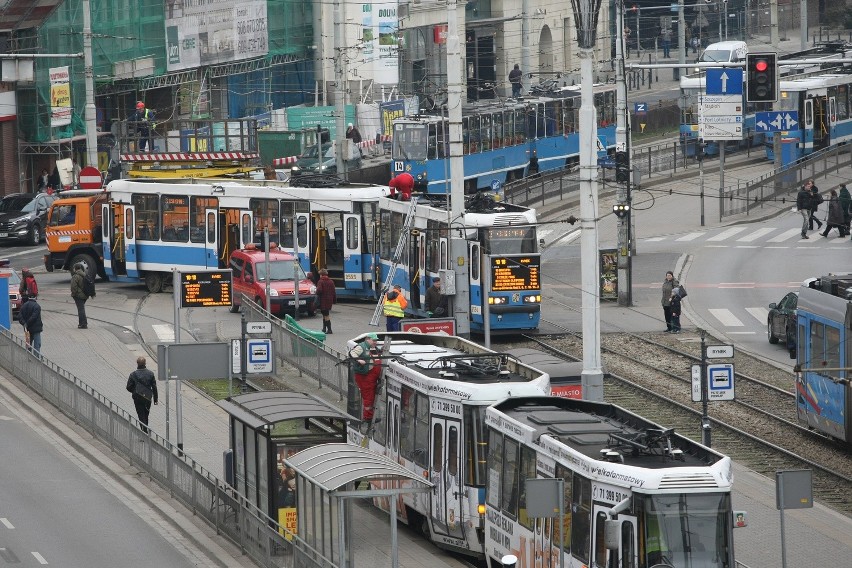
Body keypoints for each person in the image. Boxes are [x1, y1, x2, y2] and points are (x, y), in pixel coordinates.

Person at [349, 333, 382, 423]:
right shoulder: (361, 347)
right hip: (365, 377)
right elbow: (352, 353)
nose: (376, 342)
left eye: (376, 340)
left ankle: (369, 415)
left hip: (371, 377)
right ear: (368, 339)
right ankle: (368, 417)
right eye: (374, 340)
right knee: (368, 397)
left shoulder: (373, 348)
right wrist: (359, 360)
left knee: (370, 396)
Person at [126, 356, 158, 434]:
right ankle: (145, 428)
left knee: (140, 414)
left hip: (137, 398)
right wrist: (155, 399)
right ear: (145, 363)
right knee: (146, 413)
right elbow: (154, 387)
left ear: (137, 363)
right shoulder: (150, 374)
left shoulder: (133, 374)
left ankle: (144, 431)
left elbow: (128, 387)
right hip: (147, 398)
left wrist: (135, 391)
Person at [315, 268, 336, 334]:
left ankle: (329, 330)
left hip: (323, 300)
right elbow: (334, 292)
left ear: (321, 274)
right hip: (329, 300)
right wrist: (334, 300)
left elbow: (319, 290)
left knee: (326, 315)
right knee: (325, 314)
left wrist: (316, 291)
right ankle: (324, 328)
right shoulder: (331, 281)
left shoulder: (320, 281)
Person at [70, 263, 89, 328]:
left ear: (75, 268)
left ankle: (83, 324)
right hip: (85, 295)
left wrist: (74, 294)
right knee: (82, 309)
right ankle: (84, 323)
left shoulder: (75, 276)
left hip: (79, 295)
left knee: (80, 309)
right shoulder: (85, 275)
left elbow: (73, 287)